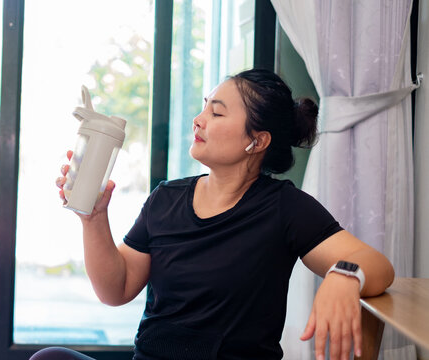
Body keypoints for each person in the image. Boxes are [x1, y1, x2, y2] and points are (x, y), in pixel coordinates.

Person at [35, 68, 394, 360]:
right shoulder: (165, 199)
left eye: (216, 112)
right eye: (205, 107)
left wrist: (344, 275)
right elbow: (117, 289)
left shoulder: (284, 207)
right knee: (50, 358)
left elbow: (377, 266)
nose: (198, 119)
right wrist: (94, 218)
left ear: (257, 140)